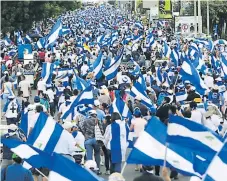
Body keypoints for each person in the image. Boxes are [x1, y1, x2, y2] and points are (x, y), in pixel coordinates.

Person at [81, 110, 103, 175]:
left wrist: (85, 134)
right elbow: (101, 130)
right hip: (96, 139)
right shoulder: (97, 120)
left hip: (88, 139)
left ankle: (89, 170)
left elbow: (82, 128)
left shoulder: (85, 120)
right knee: (97, 154)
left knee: (89, 155)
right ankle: (97, 169)